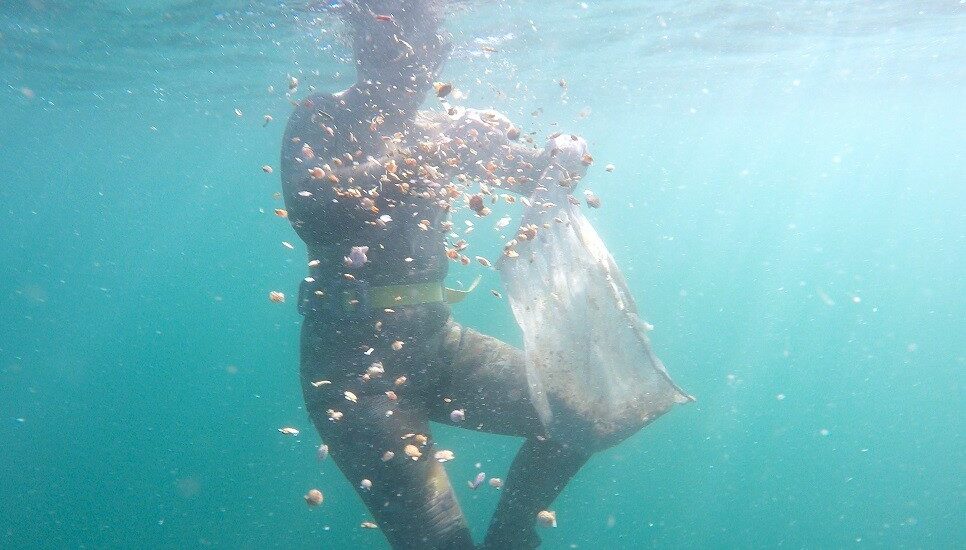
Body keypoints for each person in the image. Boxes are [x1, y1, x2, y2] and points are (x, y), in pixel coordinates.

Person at [281, 1, 592, 547]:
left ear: (437, 56)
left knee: (578, 414)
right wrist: (429, 152)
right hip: (353, 369)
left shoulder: (436, 132)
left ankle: (512, 534)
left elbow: (535, 177)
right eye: (390, 50)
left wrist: (562, 156)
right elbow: (316, 211)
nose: (408, 68)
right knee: (440, 542)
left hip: (436, 344)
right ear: (362, 48)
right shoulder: (321, 115)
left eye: (420, 51)